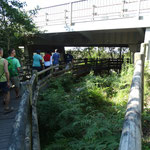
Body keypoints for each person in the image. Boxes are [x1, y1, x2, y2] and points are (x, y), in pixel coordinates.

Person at [0, 48, 13, 113]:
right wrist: (8, 81)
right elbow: (6, 72)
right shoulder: (4, 61)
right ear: (1, 52)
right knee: (7, 93)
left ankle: (4, 101)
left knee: (3, 92)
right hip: (3, 80)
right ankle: (7, 108)